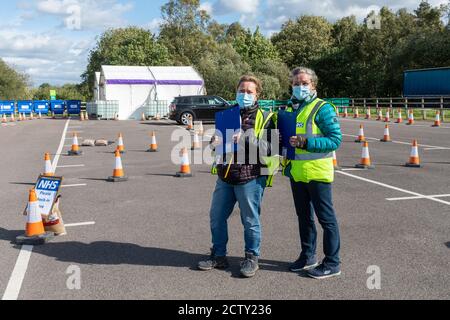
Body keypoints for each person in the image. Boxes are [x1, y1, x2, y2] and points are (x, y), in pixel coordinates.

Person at [198, 75, 278, 278]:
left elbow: (271, 148)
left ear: (257, 94)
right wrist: (213, 143)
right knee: (216, 217)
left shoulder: (267, 117)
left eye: (249, 91)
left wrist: (246, 137)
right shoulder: (226, 115)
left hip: (250, 176)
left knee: (250, 220)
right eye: (241, 90)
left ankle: (251, 257)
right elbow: (218, 145)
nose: (245, 94)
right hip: (226, 175)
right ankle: (218, 255)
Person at [281, 67, 342, 279]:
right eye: (296, 83)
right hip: (297, 173)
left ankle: (332, 263)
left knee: (326, 219)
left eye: (304, 83)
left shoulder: (322, 108)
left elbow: (335, 139)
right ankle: (308, 256)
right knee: (304, 218)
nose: (300, 87)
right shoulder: (289, 109)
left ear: (313, 85)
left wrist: (307, 142)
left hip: (317, 173)